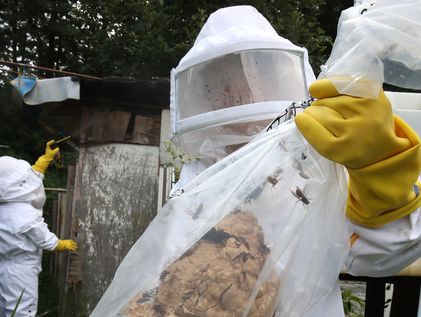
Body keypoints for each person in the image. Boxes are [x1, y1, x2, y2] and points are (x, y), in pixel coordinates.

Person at [0, 140, 78, 317]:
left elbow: (25, 182)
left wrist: (43, 161)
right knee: (22, 310)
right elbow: (40, 236)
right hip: (20, 269)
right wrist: (59, 244)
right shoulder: (22, 213)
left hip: (5, 264)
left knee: (5, 308)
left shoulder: (6, 204)